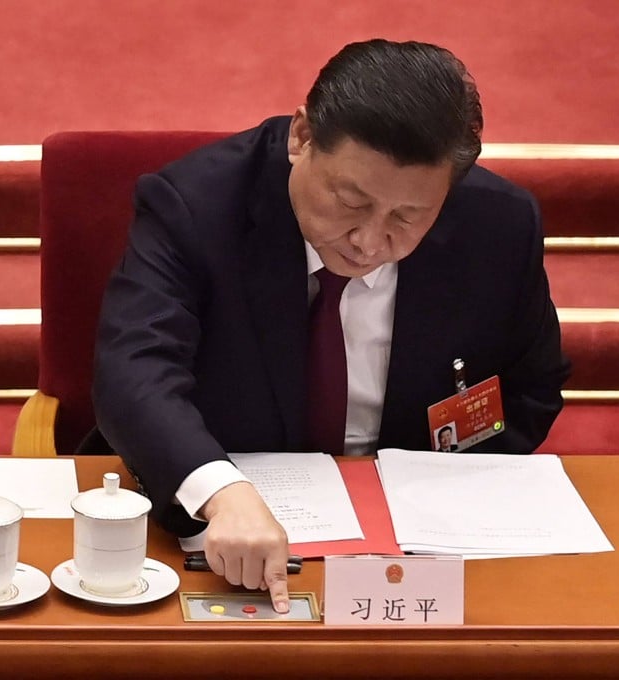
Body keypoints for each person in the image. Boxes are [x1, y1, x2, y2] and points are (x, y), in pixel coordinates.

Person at [89, 39, 571, 614]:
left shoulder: (500, 226)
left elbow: (530, 388)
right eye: (349, 201)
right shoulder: (195, 206)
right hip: (221, 535)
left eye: (406, 217)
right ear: (301, 136)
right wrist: (220, 493)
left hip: (416, 550)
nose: (369, 241)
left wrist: (448, 503)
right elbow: (132, 371)